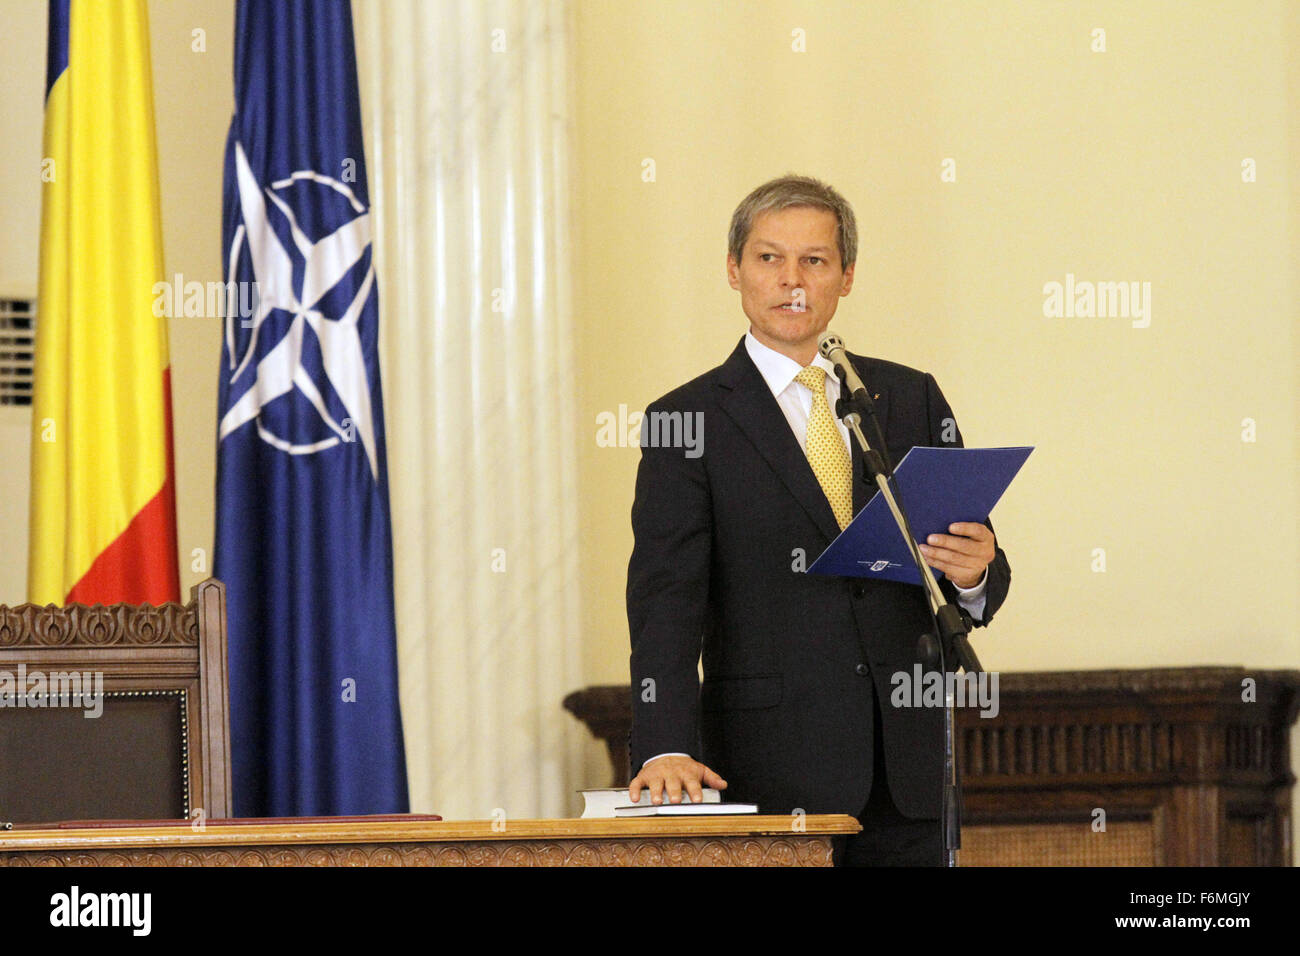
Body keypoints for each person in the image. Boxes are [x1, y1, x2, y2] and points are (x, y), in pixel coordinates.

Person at [624, 174, 1011, 865]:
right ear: (734, 271)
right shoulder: (686, 421)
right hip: (768, 770)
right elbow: (665, 600)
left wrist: (977, 571)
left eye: (815, 260)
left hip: (906, 774)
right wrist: (665, 743)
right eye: (769, 258)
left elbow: (974, 574)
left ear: (847, 277)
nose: (791, 280)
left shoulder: (908, 397)